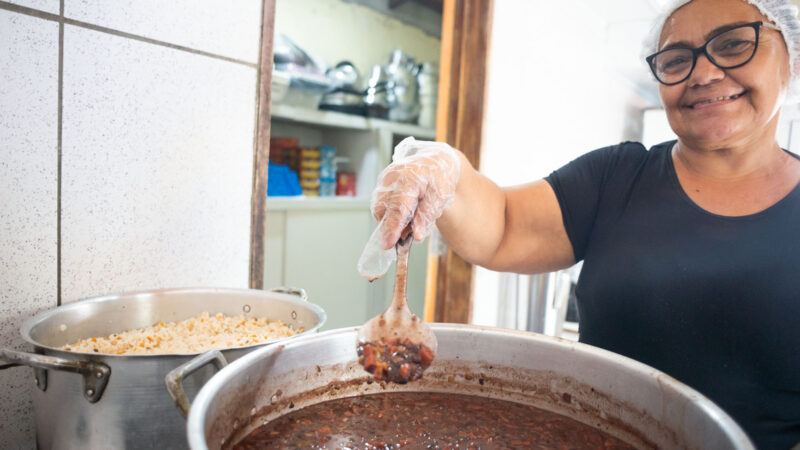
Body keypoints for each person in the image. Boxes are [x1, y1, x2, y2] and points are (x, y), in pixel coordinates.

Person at [368, 0, 800, 448]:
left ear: (790, 56)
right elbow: (503, 226)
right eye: (676, 59)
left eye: (733, 45)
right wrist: (448, 170)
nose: (704, 73)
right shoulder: (617, 177)